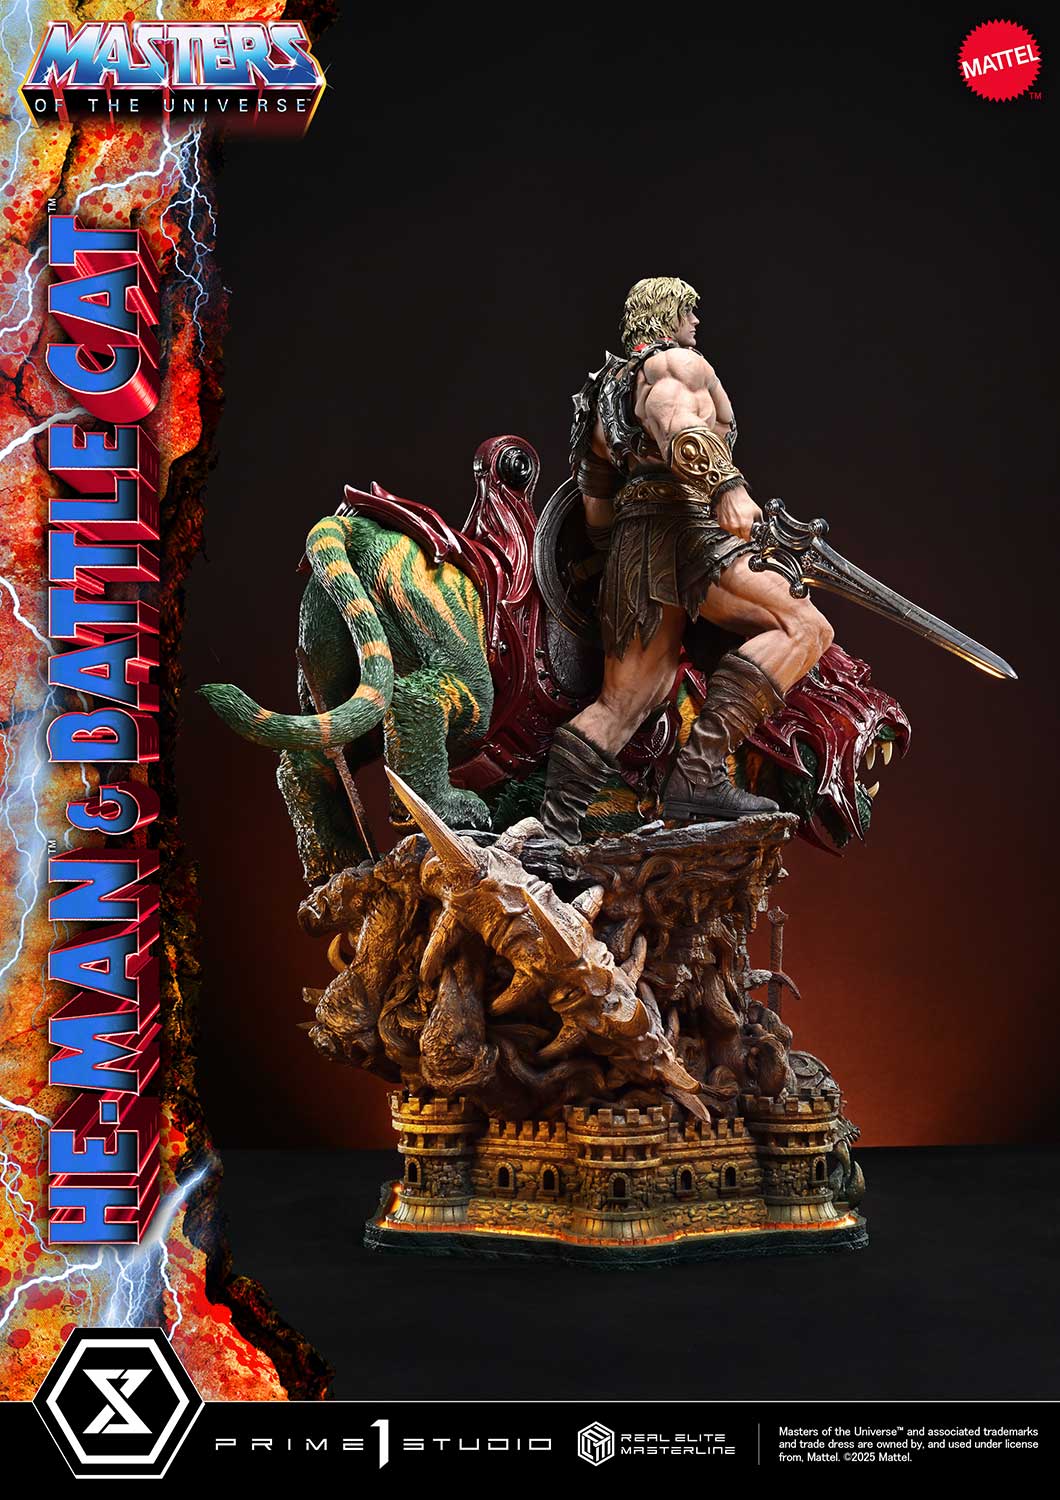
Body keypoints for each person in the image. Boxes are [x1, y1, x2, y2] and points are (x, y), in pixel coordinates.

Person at [538, 276, 834, 842]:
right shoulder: (673, 364)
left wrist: (616, 564)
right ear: (666, 314)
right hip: (688, 531)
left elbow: (596, 507)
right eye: (688, 312)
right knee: (804, 627)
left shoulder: (602, 394)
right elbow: (681, 427)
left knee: (627, 703)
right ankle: (699, 773)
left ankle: (554, 833)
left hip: (634, 550)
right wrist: (727, 489)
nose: (695, 323)